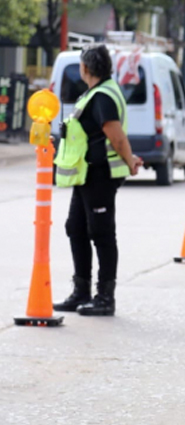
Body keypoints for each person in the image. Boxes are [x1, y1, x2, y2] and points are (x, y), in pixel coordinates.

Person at [53, 45, 143, 316]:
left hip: (100, 175)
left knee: (101, 233)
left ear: (85, 68)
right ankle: (81, 291)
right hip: (86, 174)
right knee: (76, 228)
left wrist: (130, 161)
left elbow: (116, 136)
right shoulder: (94, 93)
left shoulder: (102, 95)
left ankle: (105, 297)